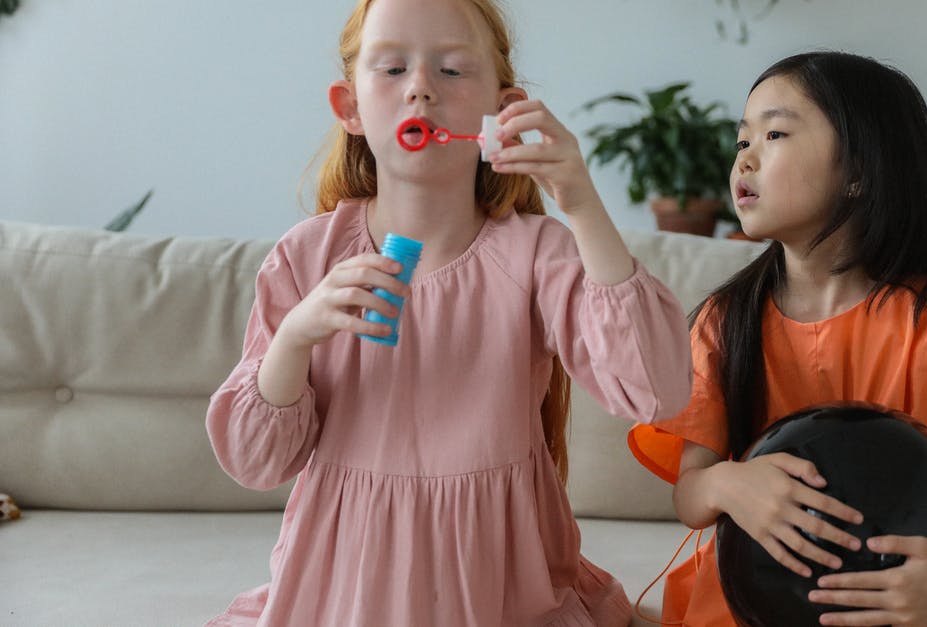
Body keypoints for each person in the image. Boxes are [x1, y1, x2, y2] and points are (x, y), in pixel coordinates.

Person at [205, 0, 692, 624]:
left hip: (503, 597)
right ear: (349, 107)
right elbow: (255, 462)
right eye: (391, 69)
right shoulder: (306, 257)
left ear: (503, 111)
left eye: (454, 70)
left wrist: (581, 202)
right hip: (341, 597)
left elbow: (656, 391)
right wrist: (295, 338)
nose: (420, 90)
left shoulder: (538, 255)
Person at [628, 52, 927, 627]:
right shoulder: (726, 321)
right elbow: (691, 498)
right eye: (741, 142)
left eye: (774, 133)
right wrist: (730, 484)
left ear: (859, 170)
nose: (744, 159)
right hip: (751, 604)